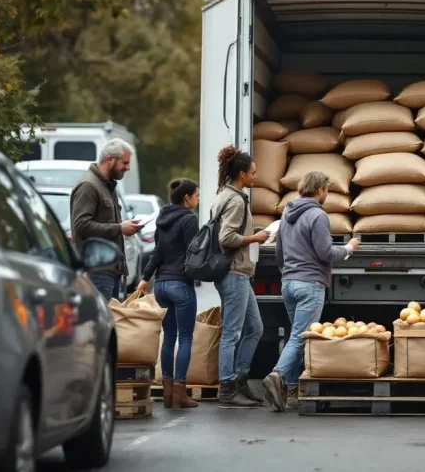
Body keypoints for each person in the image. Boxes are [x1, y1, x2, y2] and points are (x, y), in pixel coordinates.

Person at [263, 171, 360, 412]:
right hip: (310, 284)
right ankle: (277, 375)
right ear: (320, 191)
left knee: (294, 334)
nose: (327, 193)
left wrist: (289, 272)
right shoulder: (318, 215)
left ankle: (293, 389)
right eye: (326, 189)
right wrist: (348, 248)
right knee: (300, 337)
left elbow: (279, 254)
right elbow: (326, 253)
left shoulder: (287, 214)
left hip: (288, 282)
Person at [212, 145, 270, 408]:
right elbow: (226, 238)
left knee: (255, 328)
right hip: (234, 272)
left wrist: (251, 231)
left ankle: (240, 379)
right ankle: (227, 388)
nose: (255, 177)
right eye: (253, 173)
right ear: (242, 174)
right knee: (232, 333)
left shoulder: (226, 194)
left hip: (240, 273)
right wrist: (254, 237)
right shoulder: (235, 199)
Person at [136, 179, 200, 409]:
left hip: (161, 285)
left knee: (169, 337)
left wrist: (145, 279)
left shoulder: (162, 219)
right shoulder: (189, 219)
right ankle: (180, 393)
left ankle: (167, 392)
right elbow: (194, 252)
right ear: (187, 198)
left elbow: (157, 252)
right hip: (180, 284)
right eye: (196, 196)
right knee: (185, 338)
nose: (198, 199)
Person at [70, 138, 143, 299]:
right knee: (101, 322)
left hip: (110, 271)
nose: (128, 167)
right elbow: (81, 225)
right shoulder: (88, 186)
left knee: (111, 322)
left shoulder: (108, 185)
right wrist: (119, 228)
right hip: (96, 272)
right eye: (124, 163)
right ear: (110, 159)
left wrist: (126, 228)